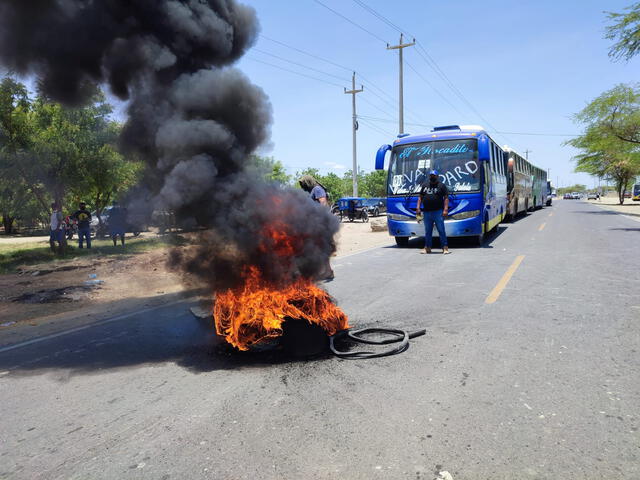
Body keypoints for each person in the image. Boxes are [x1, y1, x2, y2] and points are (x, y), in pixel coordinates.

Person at [298, 174, 334, 280]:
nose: (302, 186)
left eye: (303, 183)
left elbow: (323, 203)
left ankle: (327, 271)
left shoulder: (317, 189)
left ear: (308, 182)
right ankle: (327, 271)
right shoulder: (311, 192)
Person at [416, 170, 450, 255]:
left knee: (441, 230)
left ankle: (445, 248)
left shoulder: (441, 186)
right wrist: (418, 208)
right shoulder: (425, 185)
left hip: (438, 212)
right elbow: (420, 197)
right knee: (428, 231)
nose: (432, 177)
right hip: (427, 212)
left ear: (437, 176)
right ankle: (427, 248)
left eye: (434, 175)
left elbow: (446, 198)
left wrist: (445, 209)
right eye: (431, 175)